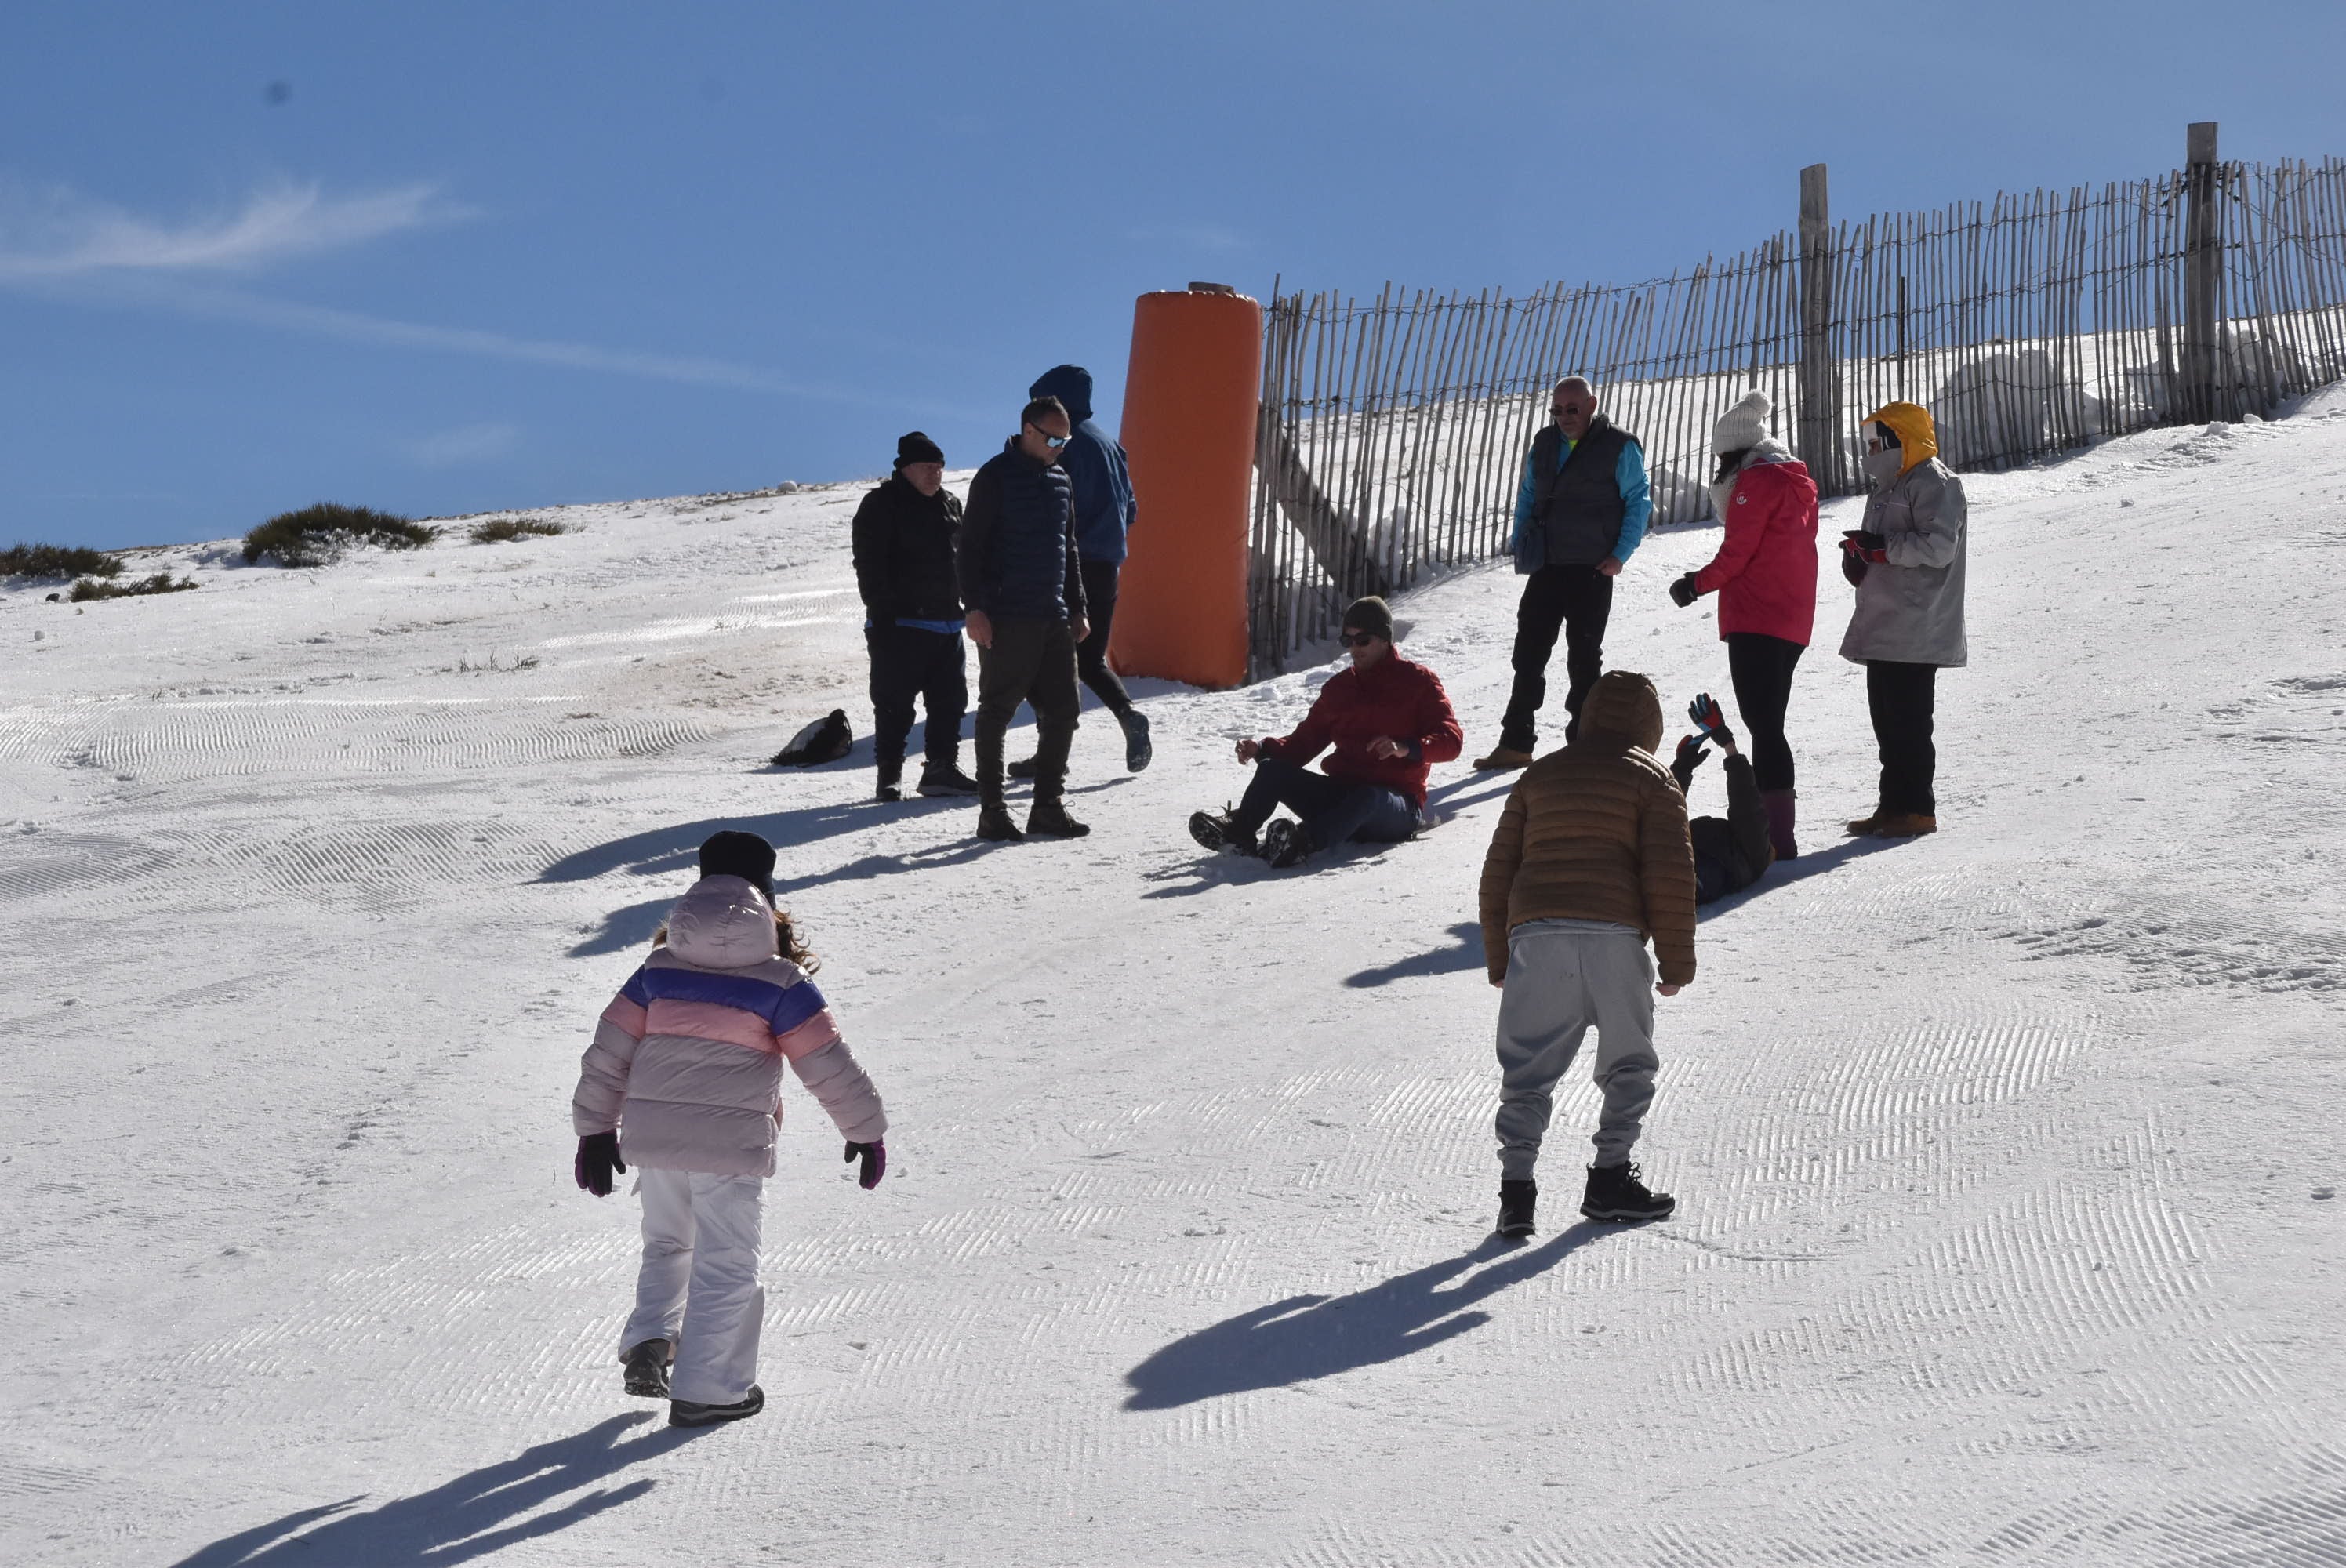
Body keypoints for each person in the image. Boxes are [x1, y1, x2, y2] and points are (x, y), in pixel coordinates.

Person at [571, 830, 888, 1428]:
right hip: (730, 1148)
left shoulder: (657, 971)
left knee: (668, 1240)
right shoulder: (780, 984)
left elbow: (608, 1051)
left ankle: (651, 1339)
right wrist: (865, 1130)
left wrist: (594, 1130)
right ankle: (711, 1388)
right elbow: (828, 1063)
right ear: (766, 899)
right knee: (726, 1258)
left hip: (656, 1138)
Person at [1477, 670, 1695, 1237]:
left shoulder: (1540, 775)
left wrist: (1500, 956)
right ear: (1650, 726)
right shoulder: (1654, 778)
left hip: (1536, 931)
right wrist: (1676, 964)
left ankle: (1516, 1195)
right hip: (1612, 935)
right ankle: (1609, 1179)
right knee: (1628, 1061)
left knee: (1526, 1069)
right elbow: (1670, 874)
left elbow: (1499, 869)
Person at [1189, 596, 1462, 869]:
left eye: (1363, 640)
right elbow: (1305, 742)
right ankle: (1238, 835)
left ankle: (1301, 843)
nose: (1354, 649)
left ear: (1385, 639)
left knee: (1367, 797)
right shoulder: (1339, 689)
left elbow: (1451, 741)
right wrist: (1261, 750)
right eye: (1348, 641)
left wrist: (1405, 747)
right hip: (1341, 795)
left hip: (1395, 806)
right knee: (1272, 770)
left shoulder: (1418, 681)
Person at [1665, 389, 1819, 858]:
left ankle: (1776, 840)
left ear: (1737, 451)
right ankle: (1778, 834)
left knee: (1766, 726)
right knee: (1769, 724)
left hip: (1758, 617)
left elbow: (1738, 553)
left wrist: (1695, 584)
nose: (1719, 469)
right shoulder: (1795, 480)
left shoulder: (1756, 481)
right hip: (1791, 618)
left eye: (1722, 457)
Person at [1476, 376, 1653, 770]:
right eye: (1557, 410)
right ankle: (1517, 741)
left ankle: (1584, 743)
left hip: (1592, 567)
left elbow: (1638, 501)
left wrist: (1621, 554)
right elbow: (1527, 493)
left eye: (1572, 409)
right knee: (1528, 654)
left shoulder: (1619, 446)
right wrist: (1521, 538)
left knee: (1584, 657)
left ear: (1592, 405)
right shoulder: (1543, 443)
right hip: (1549, 563)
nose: (1564, 417)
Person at [957, 394, 1091, 842]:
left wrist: (1078, 606)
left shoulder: (1061, 480)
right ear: (1028, 430)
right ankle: (992, 812)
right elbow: (970, 548)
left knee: (1065, 711)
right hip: (1006, 615)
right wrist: (974, 608)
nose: (1060, 446)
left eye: (1065, 439)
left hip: (1052, 614)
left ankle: (1047, 807)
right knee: (997, 711)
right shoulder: (994, 477)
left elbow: (1068, 546)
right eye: (1053, 437)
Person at [1007, 365, 1149, 779]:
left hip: (1067, 566)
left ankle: (1050, 755)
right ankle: (1128, 714)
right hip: (1108, 566)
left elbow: (1052, 508)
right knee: (1090, 660)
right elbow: (1132, 509)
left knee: (1041, 661)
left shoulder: (1062, 445)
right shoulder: (1110, 444)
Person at [1838, 401, 1968, 838]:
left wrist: (1879, 549)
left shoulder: (1934, 481)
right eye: (1867, 442)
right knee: (1888, 724)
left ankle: (1918, 809)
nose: (1870, 450)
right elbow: (1883, 544)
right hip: (1885, 622)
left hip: (1918, 623)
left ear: (1901, 439)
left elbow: (1937, 547)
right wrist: (1860, 556)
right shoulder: (1886, 487)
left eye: (1877, 441)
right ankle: (1892, 807)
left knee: (1910, 724)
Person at [850, 431, 979, 803]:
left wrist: (972, 606)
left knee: (950, 702)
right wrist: (883, 612)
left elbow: (967, 559)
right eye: (927, 467)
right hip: (898, 624)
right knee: (894, 705)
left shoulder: (951, 503)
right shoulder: (880, 504)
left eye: (939, 467)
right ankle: (889, 775)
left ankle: (942, 768)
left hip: (947, 623)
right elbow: (868, 563)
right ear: (905, 468)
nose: (935, 473)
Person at [1672, 694, 1777, 904]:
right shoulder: (1752, 855)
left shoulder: (1750, 858)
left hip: (1691, 870)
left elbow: (1746, 805)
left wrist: (1681, 771)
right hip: (1681, 865)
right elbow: (1746, 806)